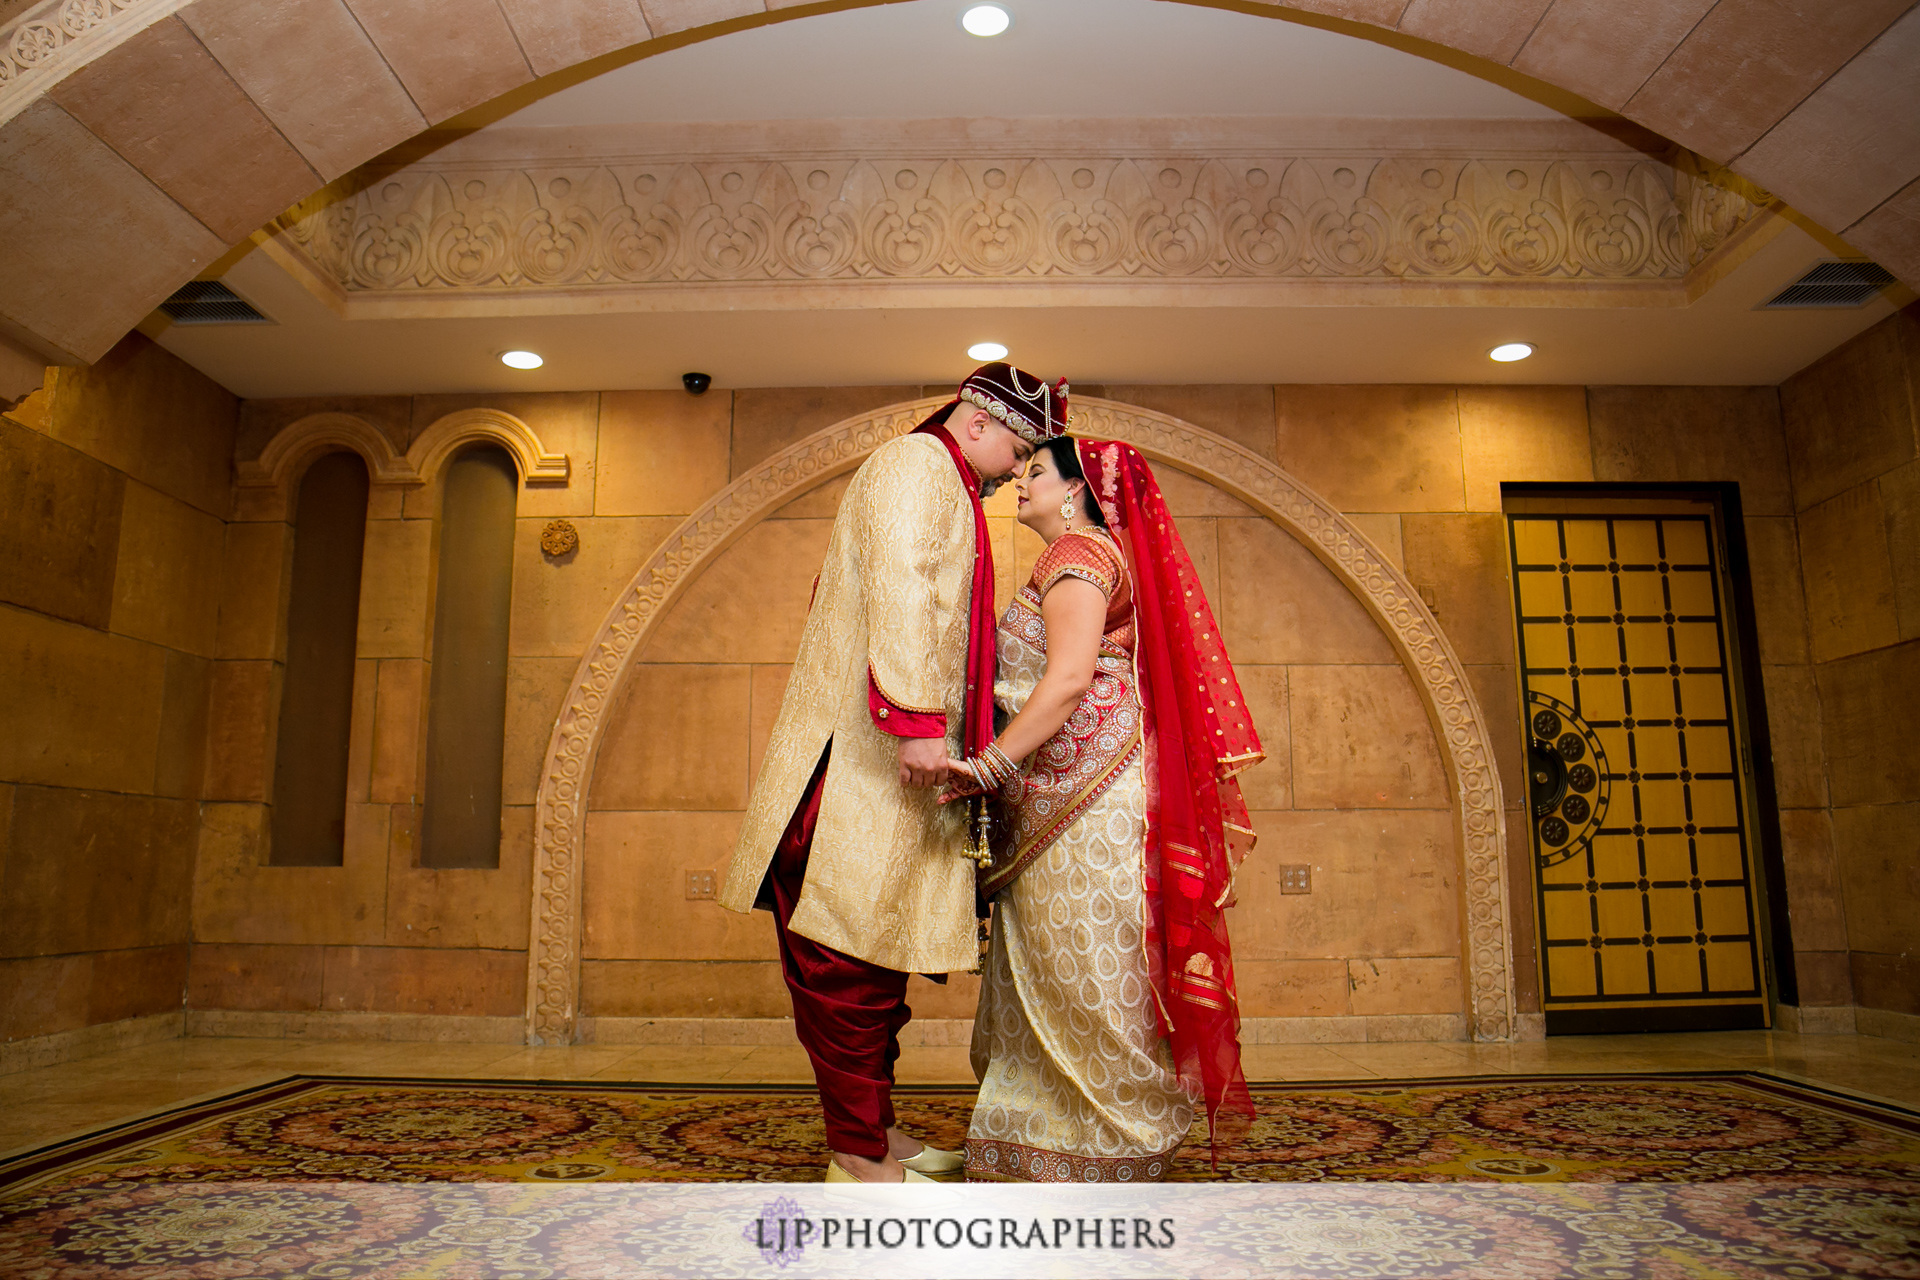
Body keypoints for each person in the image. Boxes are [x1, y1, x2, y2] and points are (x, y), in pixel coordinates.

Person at [716, 363, 1066, 1183]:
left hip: (878, 770)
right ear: (977, 423)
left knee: (872, 955)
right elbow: (902, 594)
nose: (1018, 468)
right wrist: (913, 720)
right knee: (844, 965)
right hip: (855, 769)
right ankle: (857, 1157)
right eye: (1017, 447)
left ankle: (874, 1134)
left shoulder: (937, 477)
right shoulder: (915, 467)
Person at [946, 436, 1261, 1182]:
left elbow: (1067, 680)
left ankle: (1105, 1135)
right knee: (1077, 962)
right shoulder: (1085, 558)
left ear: (1079, 491)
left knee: (1082, 962)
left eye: (1035, 473)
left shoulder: (1077, 558)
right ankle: (1066, 1131)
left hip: (1083, 804)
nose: (1020, 485)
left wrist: (988, 765)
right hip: (1078, 799)